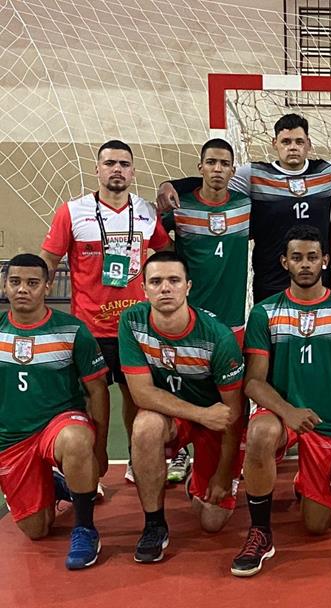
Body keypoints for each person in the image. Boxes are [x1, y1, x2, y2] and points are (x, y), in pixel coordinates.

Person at [231, 225, 331, 578]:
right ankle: (260, 532)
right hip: (281, 416)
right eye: (297, 258)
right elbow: (253, 382)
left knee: (316, 526)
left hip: (328, 423)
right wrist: (288, 411)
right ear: (285, 262)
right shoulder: (265, 312)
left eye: (312, 257)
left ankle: (303, 482)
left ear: (325, 261)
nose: (305, 264)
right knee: (260, 433)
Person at [41, 140, 171, 484]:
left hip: (135, 328)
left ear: (133, 171)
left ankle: (135, 460)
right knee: (90, 402)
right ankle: (89, 470)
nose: (117, 169)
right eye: (110, 163)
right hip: (88, 329)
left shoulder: (146, 211)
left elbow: (165, 253)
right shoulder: (72, 211)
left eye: (124, 164)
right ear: (97, 169)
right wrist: (40, 306)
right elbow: (49, 260)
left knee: (137, 398)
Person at [119, 251, 244, 563]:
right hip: (185, 416)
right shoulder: (132, 321)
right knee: (145, 425)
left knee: (212, 522)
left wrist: (223, 474)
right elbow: (141, 394)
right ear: (144, 289)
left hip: (216, 421)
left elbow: (233, 414)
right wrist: (200, 414)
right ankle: (154, 525)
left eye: (174, 280)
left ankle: (197, 481)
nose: (165, 288)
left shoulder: (218, 337)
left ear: (188, 286)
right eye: (156, 282)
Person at [157, 114, 331, 300]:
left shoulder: (328, 172)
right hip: (270, 281)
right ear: (274, 143)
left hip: (316, 281)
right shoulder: (254, 174)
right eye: (286, 141)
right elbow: (215, 181)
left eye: (299, 141)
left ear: (308, 143)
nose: (293, 147)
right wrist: (170, 185)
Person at [0, 254, 109, 570]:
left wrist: (100, 448)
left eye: (32, 283)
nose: (23, 289)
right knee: (37, 529)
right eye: (15, 282)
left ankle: (85, 528)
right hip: (12, 438)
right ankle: (58, 484)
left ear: (47, 286)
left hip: (58, 426)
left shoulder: (72, 330)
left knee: (76, 439)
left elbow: (98, 390)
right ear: (5, 286)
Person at [159, 138, 252, 483]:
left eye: (224, 163)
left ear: (232, 169)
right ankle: (180, 453)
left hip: (232, 323)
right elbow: (154, 240)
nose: (217, 169)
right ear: (200, 167)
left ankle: (233, 461)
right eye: (211, 162)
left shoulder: (246, 206)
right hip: (187, 322)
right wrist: (168, 184)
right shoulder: (179, 206)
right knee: (182, 390)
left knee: (232, 395)